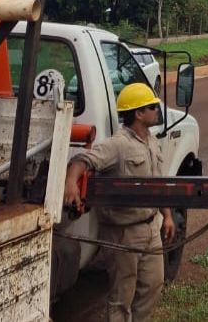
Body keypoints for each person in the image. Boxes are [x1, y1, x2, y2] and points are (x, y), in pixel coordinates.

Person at [64, 83, 176, 322]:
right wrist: (72, 183)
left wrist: (166, 216)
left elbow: (159, 184)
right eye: (151, 107)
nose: (157, 110)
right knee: (121, 295)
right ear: (138, 114)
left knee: (154, 285)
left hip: (150, 228)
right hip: (122, 232)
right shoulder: (117, 145)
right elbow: (83, 160)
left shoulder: (152, 142)